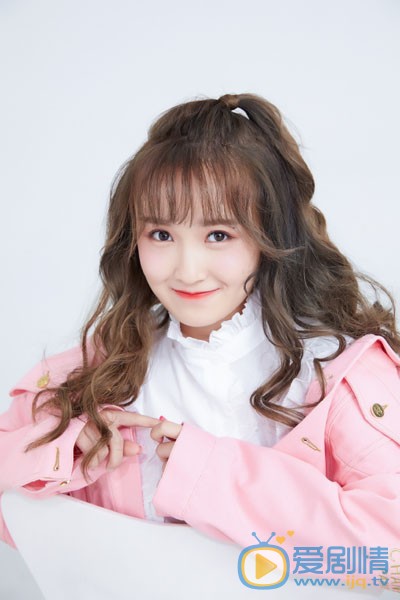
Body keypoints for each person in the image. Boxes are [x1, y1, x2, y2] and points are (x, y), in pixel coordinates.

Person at [1, 93, 400, 590]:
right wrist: (60, 453)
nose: (187, 271)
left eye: (218, 235)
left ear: (270, 236)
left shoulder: (337, 373)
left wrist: (214, 474)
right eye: (161, 234)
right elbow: (21, 528)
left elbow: (390, 558)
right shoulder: (99, 370)